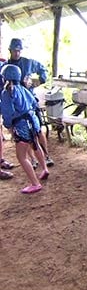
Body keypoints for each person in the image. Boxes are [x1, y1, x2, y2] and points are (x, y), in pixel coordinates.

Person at [0, 64, 50, 194]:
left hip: (21, 125)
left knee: (21, 156)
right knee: (35, 144)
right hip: (32, 121)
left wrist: (8, 126)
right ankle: (44, 168)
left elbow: (7, 113)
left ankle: (35, 184)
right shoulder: (23, 88)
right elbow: (34, 102)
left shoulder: (7, 93)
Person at [6, 38, 54, 168]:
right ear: (10, 50)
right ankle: (33, 159)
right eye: (14, 50)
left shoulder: (28, 62)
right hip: (15, 106)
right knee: (23, 135)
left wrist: (40, 80)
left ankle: (47, 155)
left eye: (19, 50)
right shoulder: (6, 67)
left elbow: (43, 69)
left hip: (30, 101)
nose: (17, 53)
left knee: (38, 130)